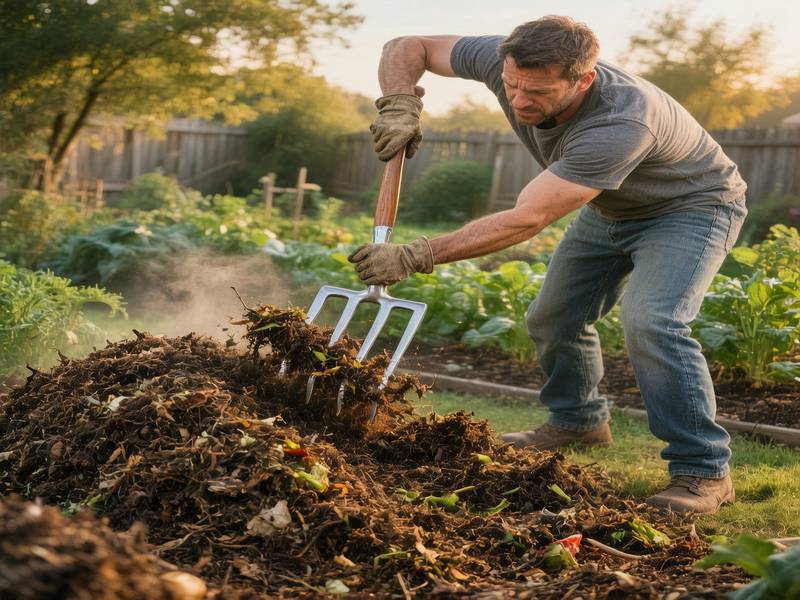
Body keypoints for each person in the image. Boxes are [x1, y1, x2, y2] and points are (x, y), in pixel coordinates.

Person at [347, 15, 747, 515]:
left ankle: (703, 471)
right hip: (610, 206)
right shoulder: (503, 59)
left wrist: (414, 255)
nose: (517, 101)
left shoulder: (622, 120)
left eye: (536, 92)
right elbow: (409, 44)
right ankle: (578, 421)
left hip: (690, 209)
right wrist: (400, 102)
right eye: (511, 85)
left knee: (653, 320)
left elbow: (528, 217)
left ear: (585, 79)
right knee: (553, 317)